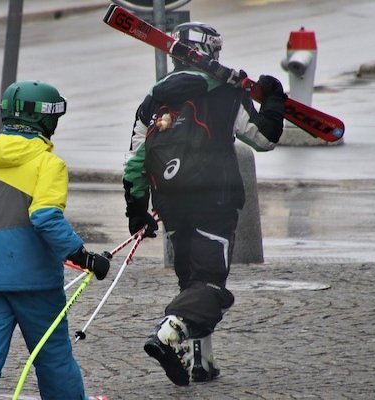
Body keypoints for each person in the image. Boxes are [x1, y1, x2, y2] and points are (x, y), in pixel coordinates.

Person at [122, 22, 286, 386]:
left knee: (192, 283)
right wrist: (274, 100)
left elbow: (135, 160)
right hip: (215, 200)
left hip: (171, 205)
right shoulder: (227, 93)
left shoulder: (154, 99)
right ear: (211, 52)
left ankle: (201, 361)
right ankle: (169, 330)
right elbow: (264, 138)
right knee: (210, 284)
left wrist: (137, 211)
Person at [0, 80, 110, 400]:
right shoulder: (48, 164)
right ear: (46, 119)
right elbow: (44, 216)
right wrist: (81, 255)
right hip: (35, 281)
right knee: (52, 354)